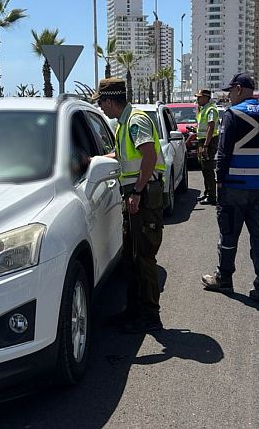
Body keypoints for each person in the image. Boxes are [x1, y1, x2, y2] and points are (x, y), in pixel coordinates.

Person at [200, 73, 259, 306]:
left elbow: (224, 152)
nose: (228, 96)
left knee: (228, 235)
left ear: (239, 89)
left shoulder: (232, 114)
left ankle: (224, 279)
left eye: (230, 91)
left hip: (234, 187)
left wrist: (219, 181)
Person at [94, 78, 167, 334]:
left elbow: (148, 155)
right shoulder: (123, 124)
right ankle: (134, 311)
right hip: (137, 195)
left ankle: (150, 317)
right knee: (132, 256)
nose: (101, 108)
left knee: (145, 256)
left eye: (101, 103)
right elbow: (123, 155)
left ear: (111, 101)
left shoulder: (135, 121)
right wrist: (93, 160)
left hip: (144, 194)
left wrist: (136, 191)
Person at [194, 89, 220, 205]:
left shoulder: (211, 109)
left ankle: (212, 196)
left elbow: (211, 127)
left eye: (199, 97)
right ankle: (207, 193)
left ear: (206, 98)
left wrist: (205, 145)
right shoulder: (203, 109)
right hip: (202, 141)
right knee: (204, 168)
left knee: (208, 170)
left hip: (207, 142)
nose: (197, 99)